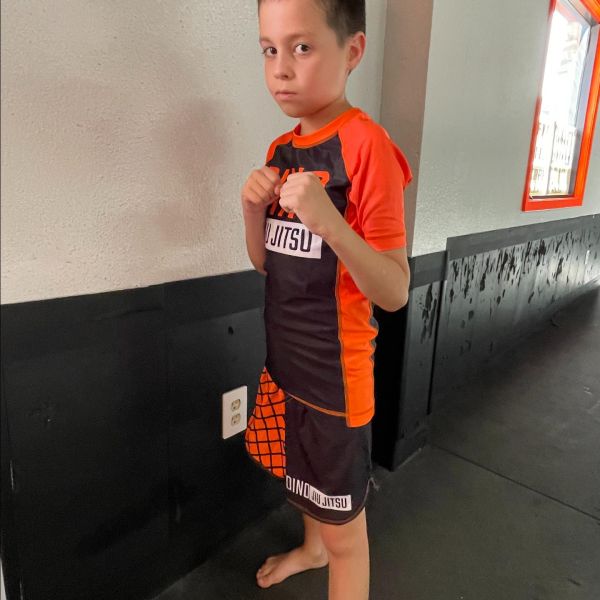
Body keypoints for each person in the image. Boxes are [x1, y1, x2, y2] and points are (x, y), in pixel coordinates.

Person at [240, 0, 413, 598]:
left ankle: (326, 550)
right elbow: (266, 263)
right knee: (299, 480)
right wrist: (251, 209)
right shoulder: (281, 150)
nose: (281, 69)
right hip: (285, 365)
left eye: (302, 47)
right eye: (269, 49)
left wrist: (331, 223)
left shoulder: (367, 146)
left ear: (353, 51)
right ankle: (310, 547)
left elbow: (394, 290)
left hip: (337, 384)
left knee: (348, 540)